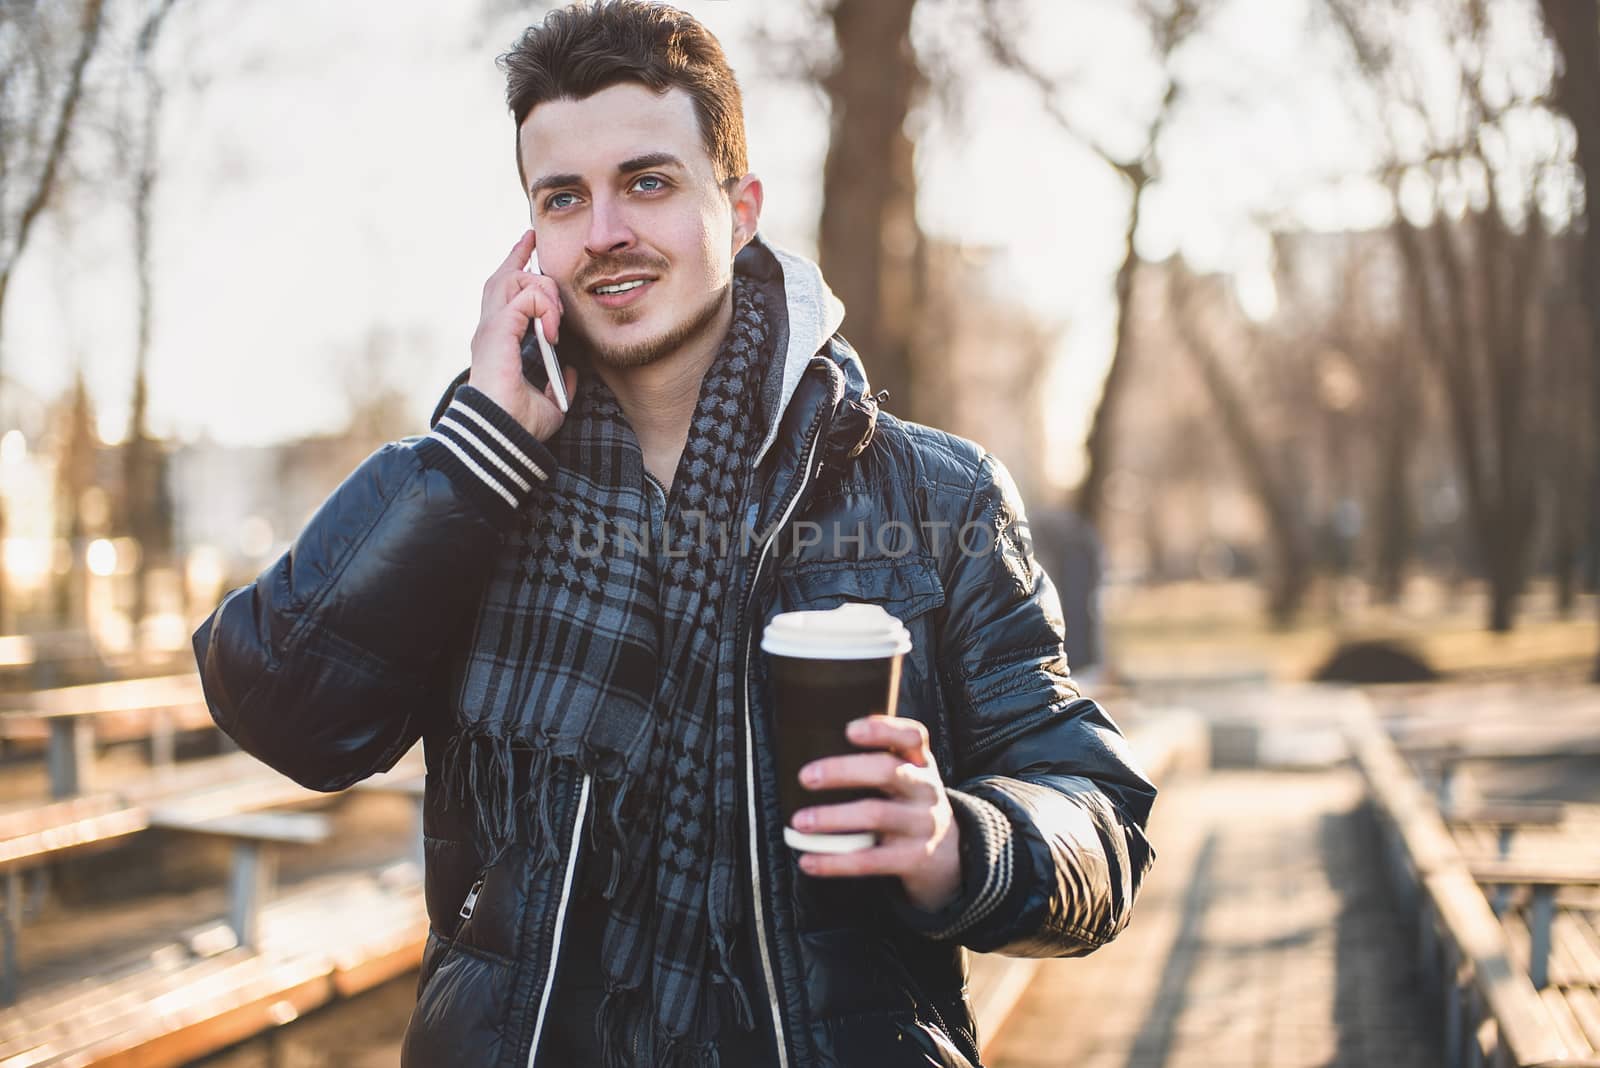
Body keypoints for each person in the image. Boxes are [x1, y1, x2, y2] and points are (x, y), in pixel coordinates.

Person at [192, 2, 1157, 1065]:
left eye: (646, 182)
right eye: (564, 198)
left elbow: (1096, 819)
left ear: (739, 209)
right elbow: (281, 710)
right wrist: (472, 457)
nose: (605, 231)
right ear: (531, 238)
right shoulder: (473, 485)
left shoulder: (937, 496)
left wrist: (955, 843)